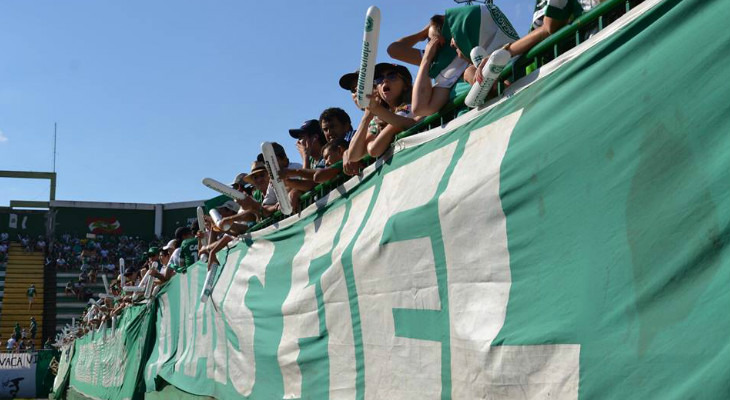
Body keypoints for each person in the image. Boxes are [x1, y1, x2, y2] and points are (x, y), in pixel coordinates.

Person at [394, 4, 518, 116]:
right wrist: (426, 56)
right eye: (431, 42)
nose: (432, 45)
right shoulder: (447, 73)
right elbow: (420, 108)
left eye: (441, 39)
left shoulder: (504, 51)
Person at [347, 63, 419, 164]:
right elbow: (353, 156)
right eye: (379, 78)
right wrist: (367, 116)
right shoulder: (378, 119)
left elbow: (373, 149)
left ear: (405, 85)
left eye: (392, 76)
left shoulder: (412, 106)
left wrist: (376, 109)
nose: (385, 80)